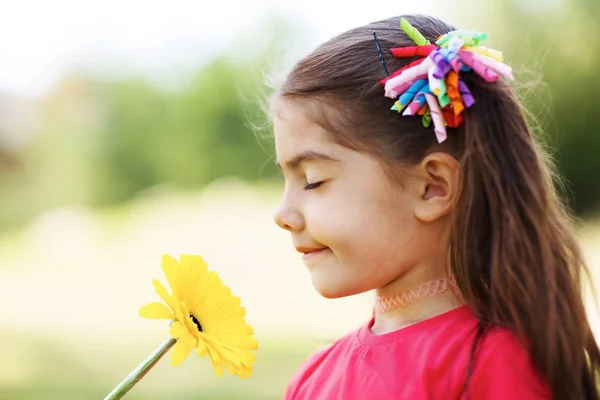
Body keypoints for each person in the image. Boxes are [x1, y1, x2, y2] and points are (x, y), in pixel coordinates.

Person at [270, 14, 600, 399]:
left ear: (433, 187)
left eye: (312, 180)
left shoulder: (491, 364)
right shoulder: (312, 379)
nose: (282, 214)